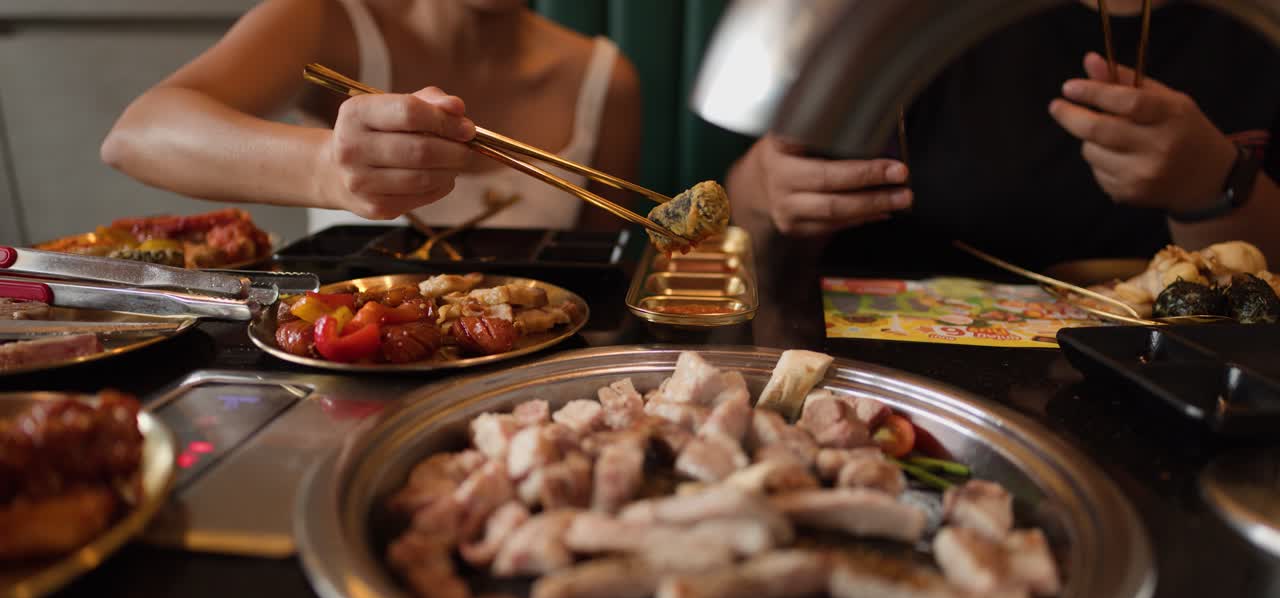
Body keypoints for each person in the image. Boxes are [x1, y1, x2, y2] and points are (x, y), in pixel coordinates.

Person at [725, 0, 1280, 271]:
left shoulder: (1255, 23)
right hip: (905, 395)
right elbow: (748, 208)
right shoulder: (906, 18)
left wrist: (1217, 184)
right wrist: (767, 193)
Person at [100, 0, 642, 234]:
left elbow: (601, 284)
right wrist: (326, 170)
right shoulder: (326, 22)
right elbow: (136, 135)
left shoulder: (605, 78)